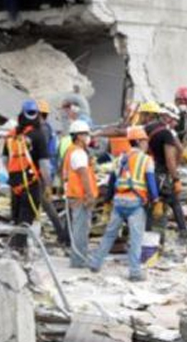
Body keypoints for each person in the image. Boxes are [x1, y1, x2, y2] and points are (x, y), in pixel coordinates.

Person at [90, 126, 159, 281]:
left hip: (119, 202)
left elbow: (112, 182)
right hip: (135, 204)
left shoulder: (120, 159)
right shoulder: (146, 160)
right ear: (139, 141)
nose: (147, 143)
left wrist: (107, 201)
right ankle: (134, 272)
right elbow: (151, 183)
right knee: (136, 238)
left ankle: (95, 263)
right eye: (145, 141)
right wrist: (155, 199)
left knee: (109, 234)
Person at [4, 99, 51, 250]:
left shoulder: (12, 134)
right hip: (31, 182)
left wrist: (14, 173)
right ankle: (18, 250)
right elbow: (44, 164)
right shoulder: (39, 135)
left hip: (15, 182)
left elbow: (5, 159)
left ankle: (14, 247)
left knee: (17, 217)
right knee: (26, 218)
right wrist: (48, 185)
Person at [146, 103, 187, 238]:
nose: (176, 124)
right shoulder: (165, 133)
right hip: (161, 173)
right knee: (173, 202)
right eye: (175, 120)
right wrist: (176, 178)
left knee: (150, 204)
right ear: (167, 117)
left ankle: (148, 233)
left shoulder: (148, 128)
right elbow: (170, 159)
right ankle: (182, 232)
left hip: (147, 171)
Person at [63, 120, 98, 267]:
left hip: (75, 195)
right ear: (78, 136)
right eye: (85, 134)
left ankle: (79, 258)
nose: (88, 137)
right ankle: (78, 261)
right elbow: (83, 175)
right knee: (81, 230)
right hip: (81, 196)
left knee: (80, 227)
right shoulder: (78, 152)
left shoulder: (72, 150)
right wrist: (89, 195)